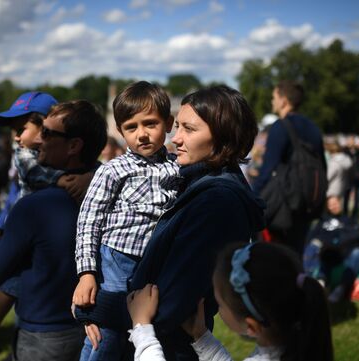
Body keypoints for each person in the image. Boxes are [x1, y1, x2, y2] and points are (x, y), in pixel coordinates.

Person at [74, 85, 265, 361]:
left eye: (188, 129)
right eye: (177, 127)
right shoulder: (194, 180)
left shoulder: (216, 201)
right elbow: (91, 218)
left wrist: (91, 309)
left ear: (222, 134)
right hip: (146, 329)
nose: (176, 139)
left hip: (170, 346)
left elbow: (171, 303)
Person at [0, 100, 107, 361]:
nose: (38, 140)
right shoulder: (110, 197)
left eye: (48, 133)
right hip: (96, 330)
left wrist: (4, 247)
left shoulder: (32, 207)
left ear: (74, 146)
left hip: (42, 336)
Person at [73, 81, 179, 361]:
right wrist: (86, 274)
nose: (142, 134)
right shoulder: (114, 170)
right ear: (119, 131)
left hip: (155, 265)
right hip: (117, 263)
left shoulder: (179, 168)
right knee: (105, 336)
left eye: (150, 124)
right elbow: (88, 222)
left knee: (146, 335)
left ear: (168, 123)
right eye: (131, 127)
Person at [126, 242, 334, 361]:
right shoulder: (295, 347)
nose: (217, 307)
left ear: (251, 326)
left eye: (220, 303)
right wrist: (201, 337)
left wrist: (142, 327)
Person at [252, 81, 325, 255]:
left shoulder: (281, 126)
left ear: (284, 101)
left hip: (286, 203)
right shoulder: (313, 128)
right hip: (308, 202)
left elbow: (268, 169)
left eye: (274, 97)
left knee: (276, 255)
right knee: (296, 254)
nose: (272, 102)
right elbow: (322, 165)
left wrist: (253, 196)